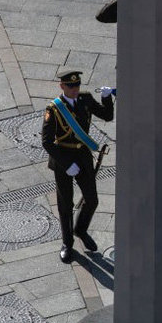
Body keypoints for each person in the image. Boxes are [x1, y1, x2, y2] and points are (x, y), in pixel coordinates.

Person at [41, 70, 114, 263]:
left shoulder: (85, 99)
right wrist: (66, 164)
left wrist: (106, 98)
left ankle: (80, 229)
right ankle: (67, 243)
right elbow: (47, 142)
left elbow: (107, 116)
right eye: (71, 86)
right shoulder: (54, 109)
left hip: (82, 156)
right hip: (63, 158)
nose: (75, 89)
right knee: (65, 203)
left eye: (77, 85)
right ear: (62, 86)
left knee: (92, 199)